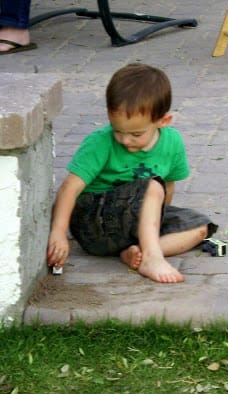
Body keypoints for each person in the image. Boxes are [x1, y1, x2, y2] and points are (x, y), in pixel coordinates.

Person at [46, 63, 217, 283]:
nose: (125, 140)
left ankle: (136, 251)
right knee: (154, 186)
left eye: (136, 134)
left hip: (135, 225)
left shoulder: (173, 142)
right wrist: (59, 232)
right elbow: (70, 188)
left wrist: (160, 218)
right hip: (95, 224)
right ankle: (152, 257)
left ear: (163, 121)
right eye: (118, 131)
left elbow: (170, 186)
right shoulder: (99, 142)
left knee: (201, 227)